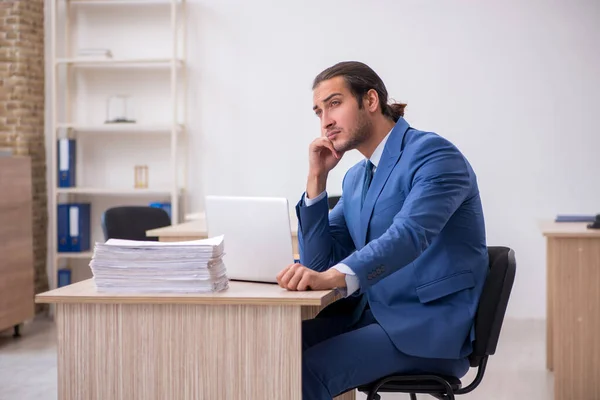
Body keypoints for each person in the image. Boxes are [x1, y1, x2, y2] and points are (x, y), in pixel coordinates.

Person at [276, 61, 489, 399]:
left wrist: (336, 277)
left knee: (304, 372)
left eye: (334, 104)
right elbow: (318, 262)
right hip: (372, 315)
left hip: (426, 326)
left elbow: (409, 235)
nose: (325, 121)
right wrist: (316, 180)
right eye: (318, 111)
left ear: (370, 100)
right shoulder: (357, 177)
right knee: (274, 347)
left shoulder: (434, 156)